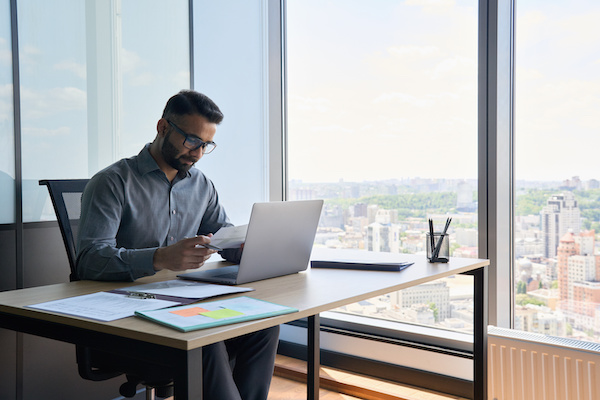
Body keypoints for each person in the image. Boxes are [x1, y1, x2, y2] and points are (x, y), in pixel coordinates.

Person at [76, 89, 279, 400]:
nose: (197, 152)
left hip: (181, 303)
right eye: (191, 140)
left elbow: (222, 234)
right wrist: (159, 258)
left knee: (264, 325)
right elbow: (89, 260)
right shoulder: (112, 182)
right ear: (163, 128)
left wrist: (248, 246)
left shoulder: (201, 185)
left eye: (206, 144)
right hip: (127, 313)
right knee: (205, 337)